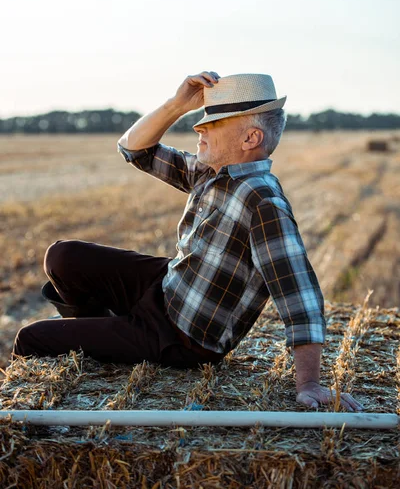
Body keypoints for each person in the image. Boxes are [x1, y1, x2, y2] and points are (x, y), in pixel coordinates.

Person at [12, 71, 363, 412]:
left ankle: (104, 340)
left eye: (212, 124)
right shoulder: (211, 172)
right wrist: (176, 105)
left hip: (182, 335)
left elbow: (300, 299)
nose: (198, 129)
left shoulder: (263, 202)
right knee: (63, 256)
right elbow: (134, 149)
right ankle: (99, 338)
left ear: (250, 139)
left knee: (32, 338)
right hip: (169, 286)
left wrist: (309, 384)